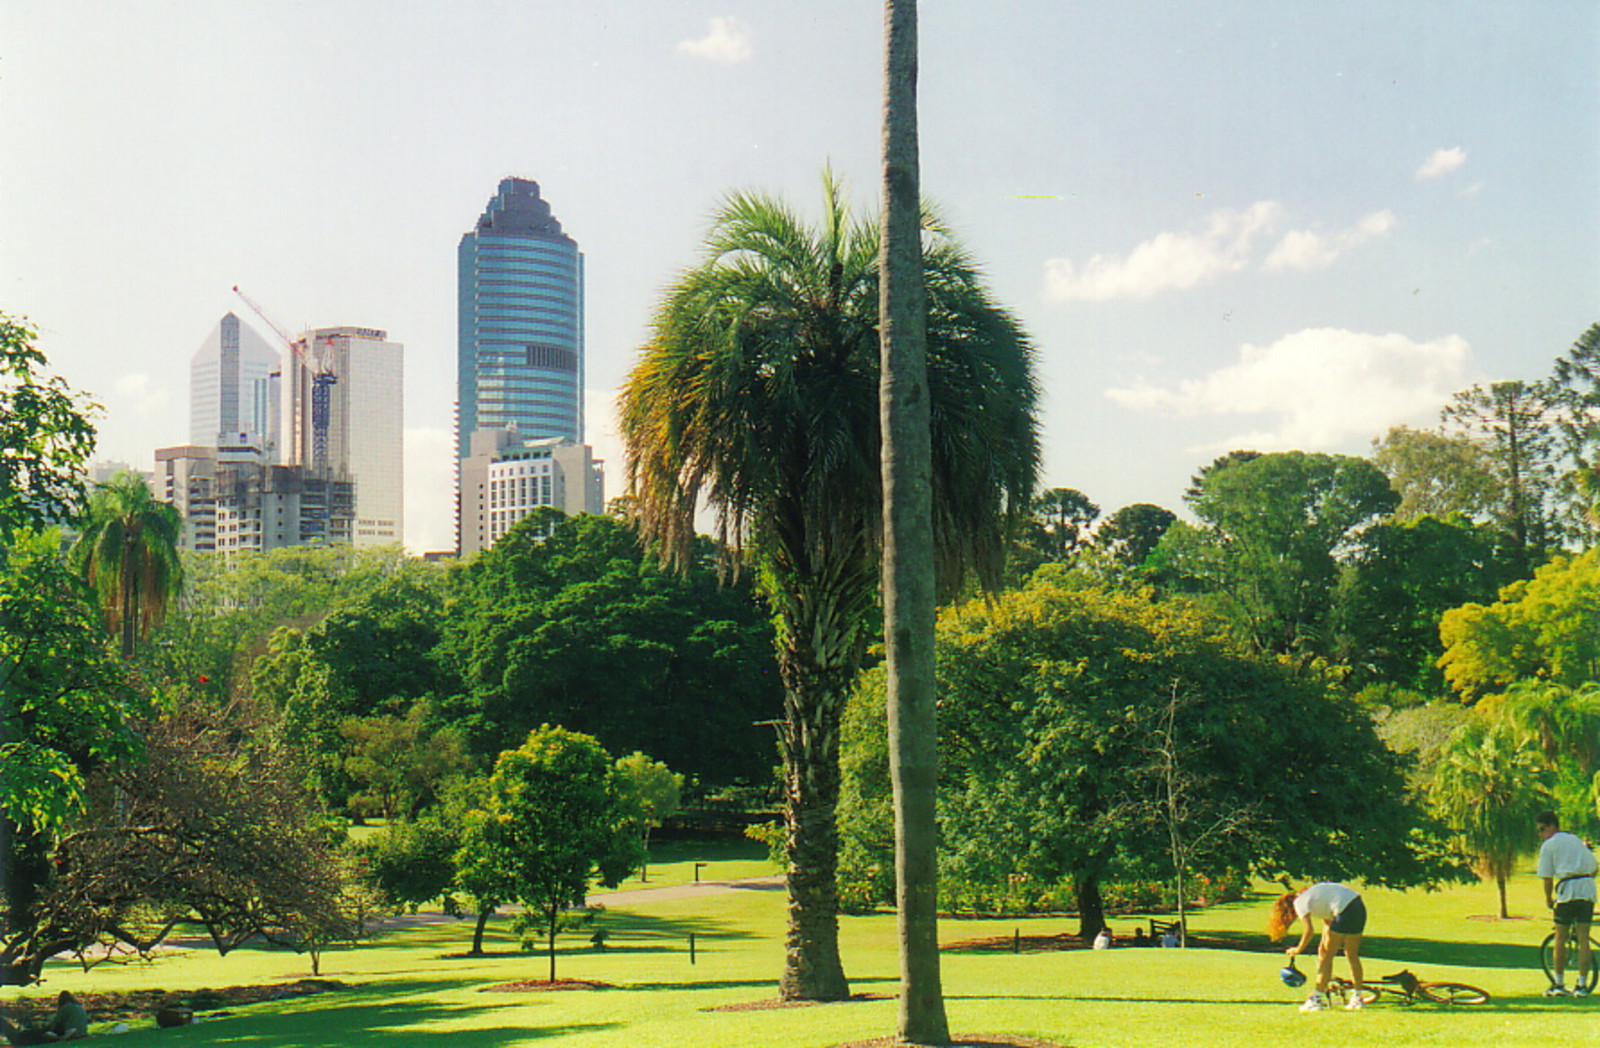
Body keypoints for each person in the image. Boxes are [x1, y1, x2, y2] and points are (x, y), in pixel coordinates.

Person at [1269, 882, 1367, 1012]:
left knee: (1327, 957)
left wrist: (1298, 949)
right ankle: (1358, 998)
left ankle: (1317, 999)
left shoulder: (1299, 903)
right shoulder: (1315, 896)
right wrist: (1323, 945)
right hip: (1358, 906)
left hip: (1343, 910)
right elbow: (1329, 922)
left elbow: (1309, 931)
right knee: (1351, 954)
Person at [1536, 810, 1596, 997]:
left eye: (1541, 829)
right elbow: (1594, 867)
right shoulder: (1575, 841)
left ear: (1551, 826)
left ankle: (1558, 983)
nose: (1540, 834)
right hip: (1586, 890)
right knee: (1584, 937)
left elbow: (1546, 877)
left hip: (1567, 891)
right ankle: (1582, 984)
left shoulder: (1550, 845)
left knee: (1560, 937)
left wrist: (1548, 899)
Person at [0, 991, 89, 1044]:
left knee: (33, 1033)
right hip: (79, 1033)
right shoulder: (79, 1007)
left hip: (68, 1034)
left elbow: (55, 1023)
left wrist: (44, 1028)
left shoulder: (66, 1007)